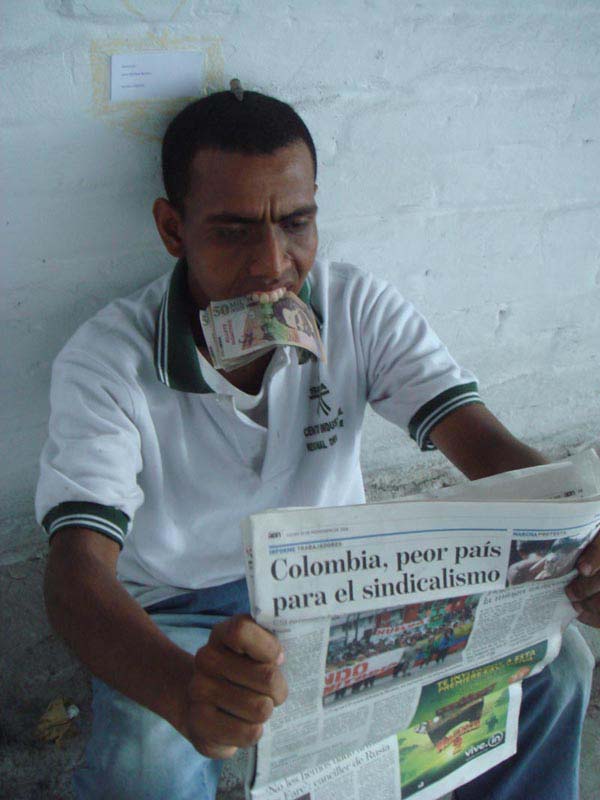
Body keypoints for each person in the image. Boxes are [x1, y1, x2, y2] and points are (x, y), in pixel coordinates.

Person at [36, 89, 598, 800]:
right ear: (173, 229)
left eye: (296, 223)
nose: (274, 264)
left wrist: (581, 527)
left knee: (559, 670)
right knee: (150, 761)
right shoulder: (107, 360)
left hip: (341, 587)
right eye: (235, 231)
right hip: (180, 611)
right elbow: (75, 573)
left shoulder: (354, 306)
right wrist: (184, 694)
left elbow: (479, 439)